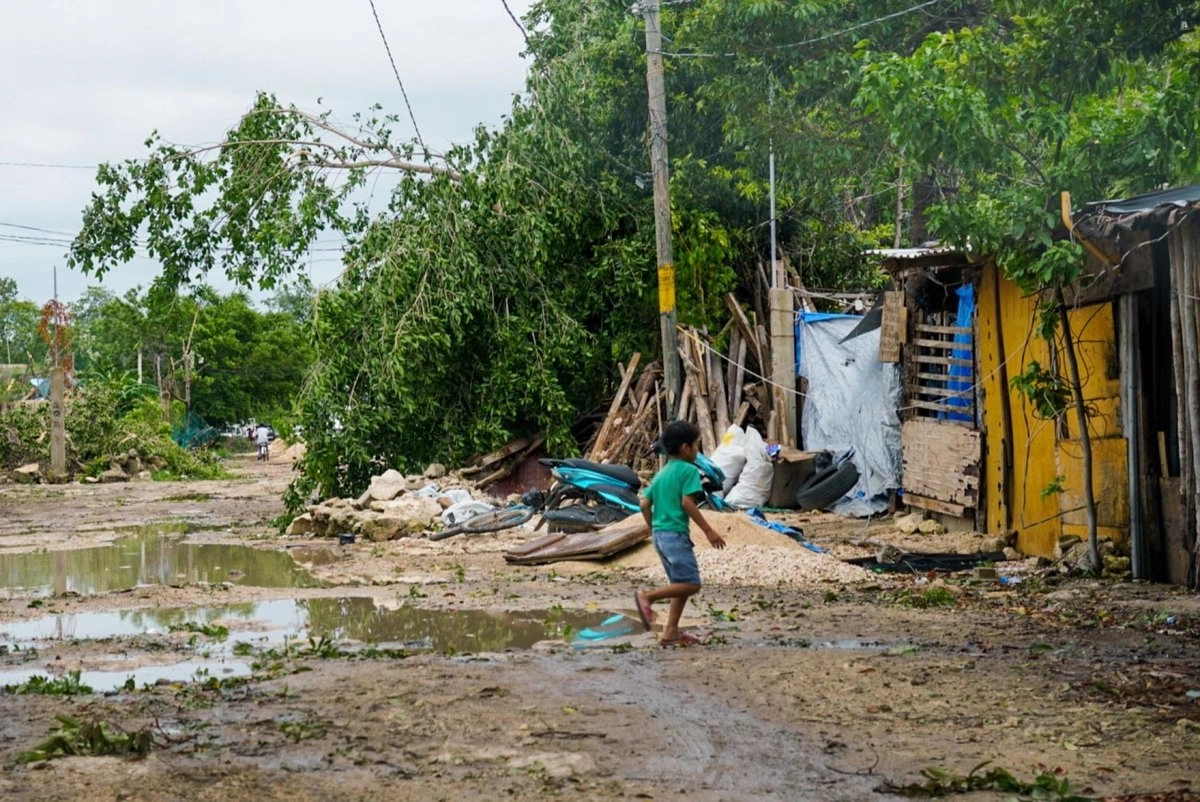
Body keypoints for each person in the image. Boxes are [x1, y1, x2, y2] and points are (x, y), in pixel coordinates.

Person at [634, 420, 726, 647]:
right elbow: (688, 503)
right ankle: (647, 597)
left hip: (660, 536)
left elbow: (644, 504)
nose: (697, 450)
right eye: (696, 445)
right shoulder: (689, 471)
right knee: (692, 584)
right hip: (675, 535)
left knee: (679, 583)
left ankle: (671, 632)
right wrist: (709, 531)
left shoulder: (662, 474)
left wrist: (652, 527)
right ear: (685, 447)